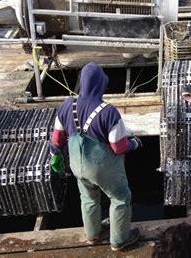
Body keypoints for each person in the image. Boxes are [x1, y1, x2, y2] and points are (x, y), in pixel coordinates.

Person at [50, 62, 141, 251]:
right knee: (120, 198)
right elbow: (118, 147)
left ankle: (93, 234)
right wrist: (135, 143)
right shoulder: (108, 112)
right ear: (101, 85)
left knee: (88, 198)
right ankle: (119, 240)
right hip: (101, 167)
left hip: (77, 165)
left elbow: (57, 139)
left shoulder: (67, 105)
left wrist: (55, 156)